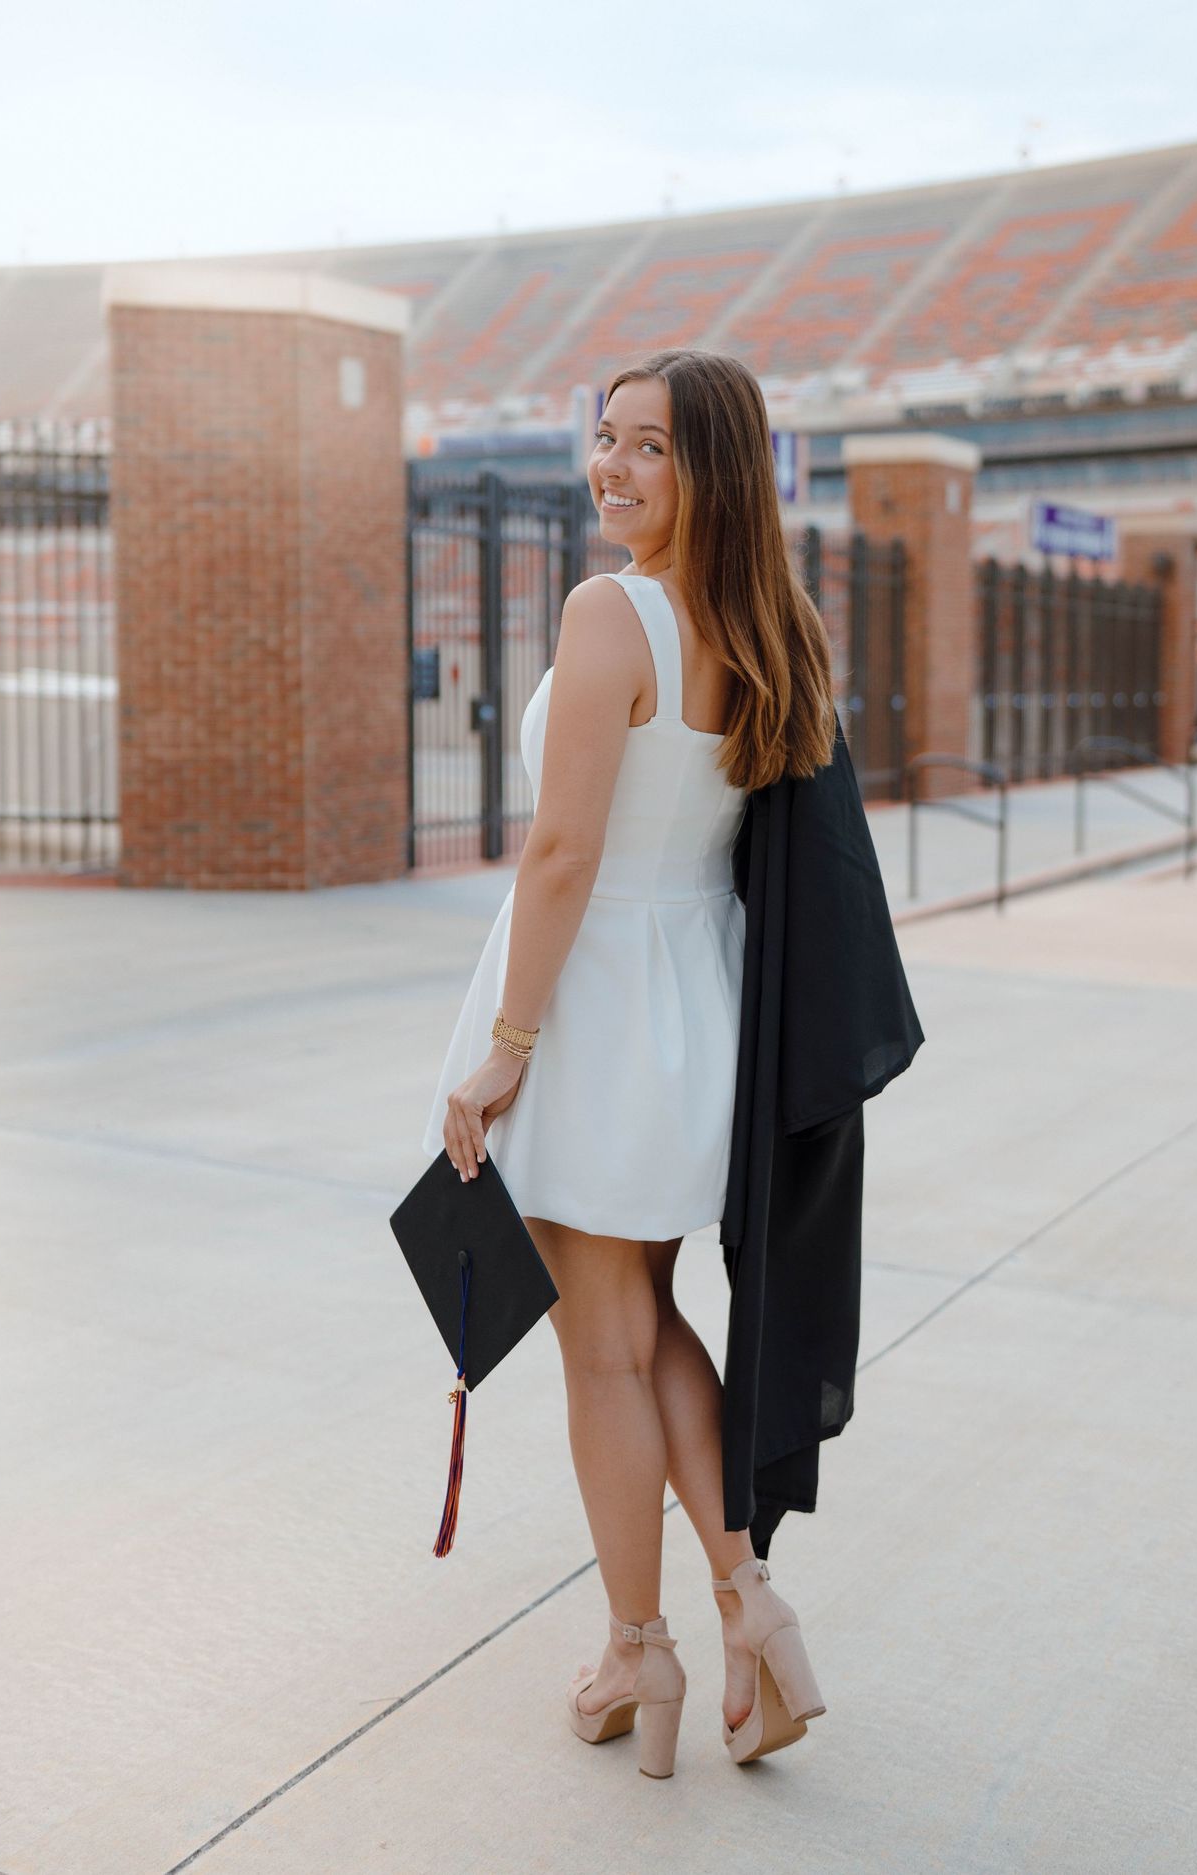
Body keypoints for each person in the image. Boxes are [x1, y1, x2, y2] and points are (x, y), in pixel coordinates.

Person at [420, 348, 839, 1776]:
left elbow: (563, 852)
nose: (613, 469)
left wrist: (505, 1050)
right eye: (605, 440)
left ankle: (637, 1656)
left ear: (712, 466)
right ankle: (751, 1606)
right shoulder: (771, 627)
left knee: (599, 1346)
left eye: (650, 447)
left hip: (595, 1004)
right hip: (697, 1002)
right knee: (649, 1318)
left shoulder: (614, 613)